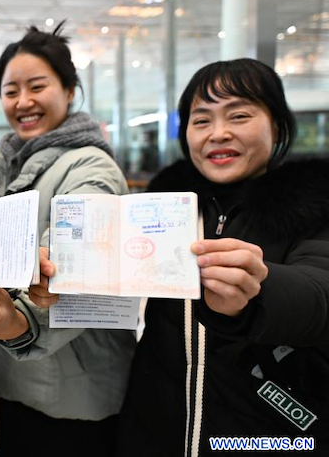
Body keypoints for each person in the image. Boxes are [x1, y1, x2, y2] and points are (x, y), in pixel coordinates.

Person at [117, 58, 329, 454]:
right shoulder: (164, 210)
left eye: (240, 115)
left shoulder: (315, 205)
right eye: (201, 121)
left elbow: (319, 294)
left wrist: (257, 293)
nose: (219, 133)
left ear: (277, 125)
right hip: (156, 426)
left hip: (267, 433)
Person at [0, 24, 135, 456]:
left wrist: (30, 300)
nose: (23, 102)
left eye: (37, 86)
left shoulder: (91, 169)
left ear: (69, 90)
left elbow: (73, 259)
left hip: (76, 392)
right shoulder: (1, 165)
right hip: (19, 379)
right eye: (11, 91)